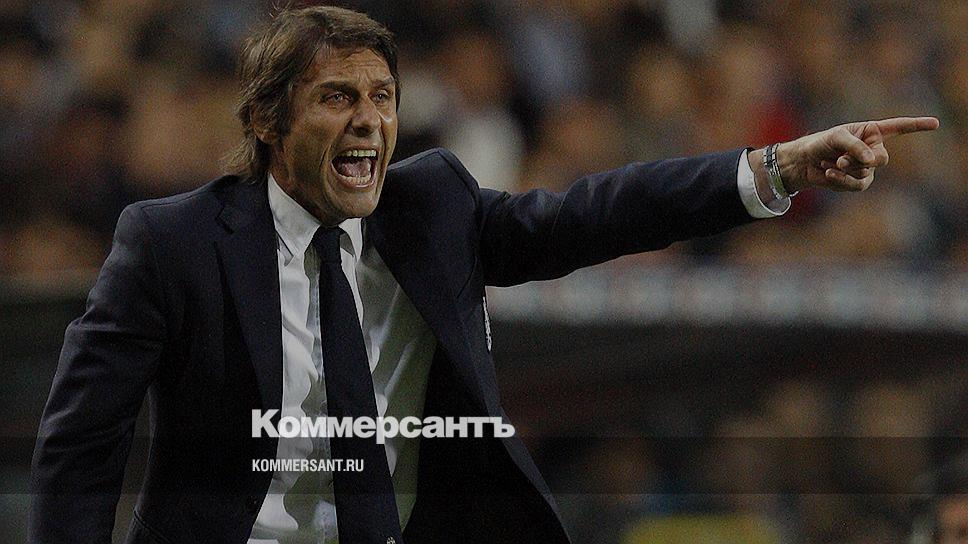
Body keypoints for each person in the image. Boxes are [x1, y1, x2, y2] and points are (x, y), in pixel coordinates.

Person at [27, 5, 939, 544]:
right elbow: (81, 443)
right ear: (268, 122)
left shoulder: (433, 209)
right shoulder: (172, 242)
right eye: (337, 97)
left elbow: (598, 213)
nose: (368, 121)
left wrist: (775, 167)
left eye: (382, 97)